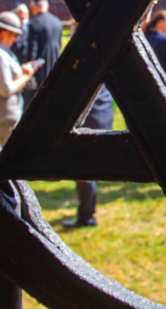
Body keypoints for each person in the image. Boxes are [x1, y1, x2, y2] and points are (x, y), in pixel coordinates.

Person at [0, 11, 41, 146]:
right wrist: (26, 75)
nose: (15, 39)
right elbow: (5, 89)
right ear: (6, 33)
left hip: (5, 113)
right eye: (15, 35)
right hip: (3, 115)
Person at [61, 85, 114, 229]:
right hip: (102, 114)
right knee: (88, 169)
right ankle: (87, 212)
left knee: (84, 169)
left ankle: (86, 216)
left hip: (91, 119)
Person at [22, 0, 64, 107]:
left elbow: (32, 48)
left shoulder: (34, 23)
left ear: (34, 8)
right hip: (55, 61)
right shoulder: (57, 22)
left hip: (40, 66)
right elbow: (59, 44)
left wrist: (30, 67)